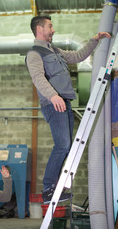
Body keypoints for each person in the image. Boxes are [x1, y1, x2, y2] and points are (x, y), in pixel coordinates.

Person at [26, 15, 111, 204]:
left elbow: (77, 56)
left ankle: (55, 185)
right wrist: (53, 95)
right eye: (50, 26)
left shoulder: (54, 50)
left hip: (64, 103)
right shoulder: (34, 54)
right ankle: (48, 188)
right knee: (62, 145)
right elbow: (38, 78)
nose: (53, 29)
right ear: (39, 29)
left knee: (66, 147)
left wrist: (94, 41)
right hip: (53, 103)